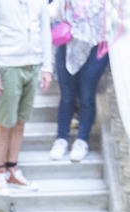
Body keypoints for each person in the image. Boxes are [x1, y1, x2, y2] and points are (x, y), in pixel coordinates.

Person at [0, 0, 53, 195]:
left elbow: (45, 30)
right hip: (8, 64)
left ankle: (13, 168)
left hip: (33, 64)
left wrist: (47, 66)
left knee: (20, 121)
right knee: (6, 122)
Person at [47, 0, 110, 164]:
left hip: (97, 45)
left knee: (87, 93)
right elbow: (52, 11)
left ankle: (81, 141)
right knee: (67, 94)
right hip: (68, 42)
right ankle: (61, 139)